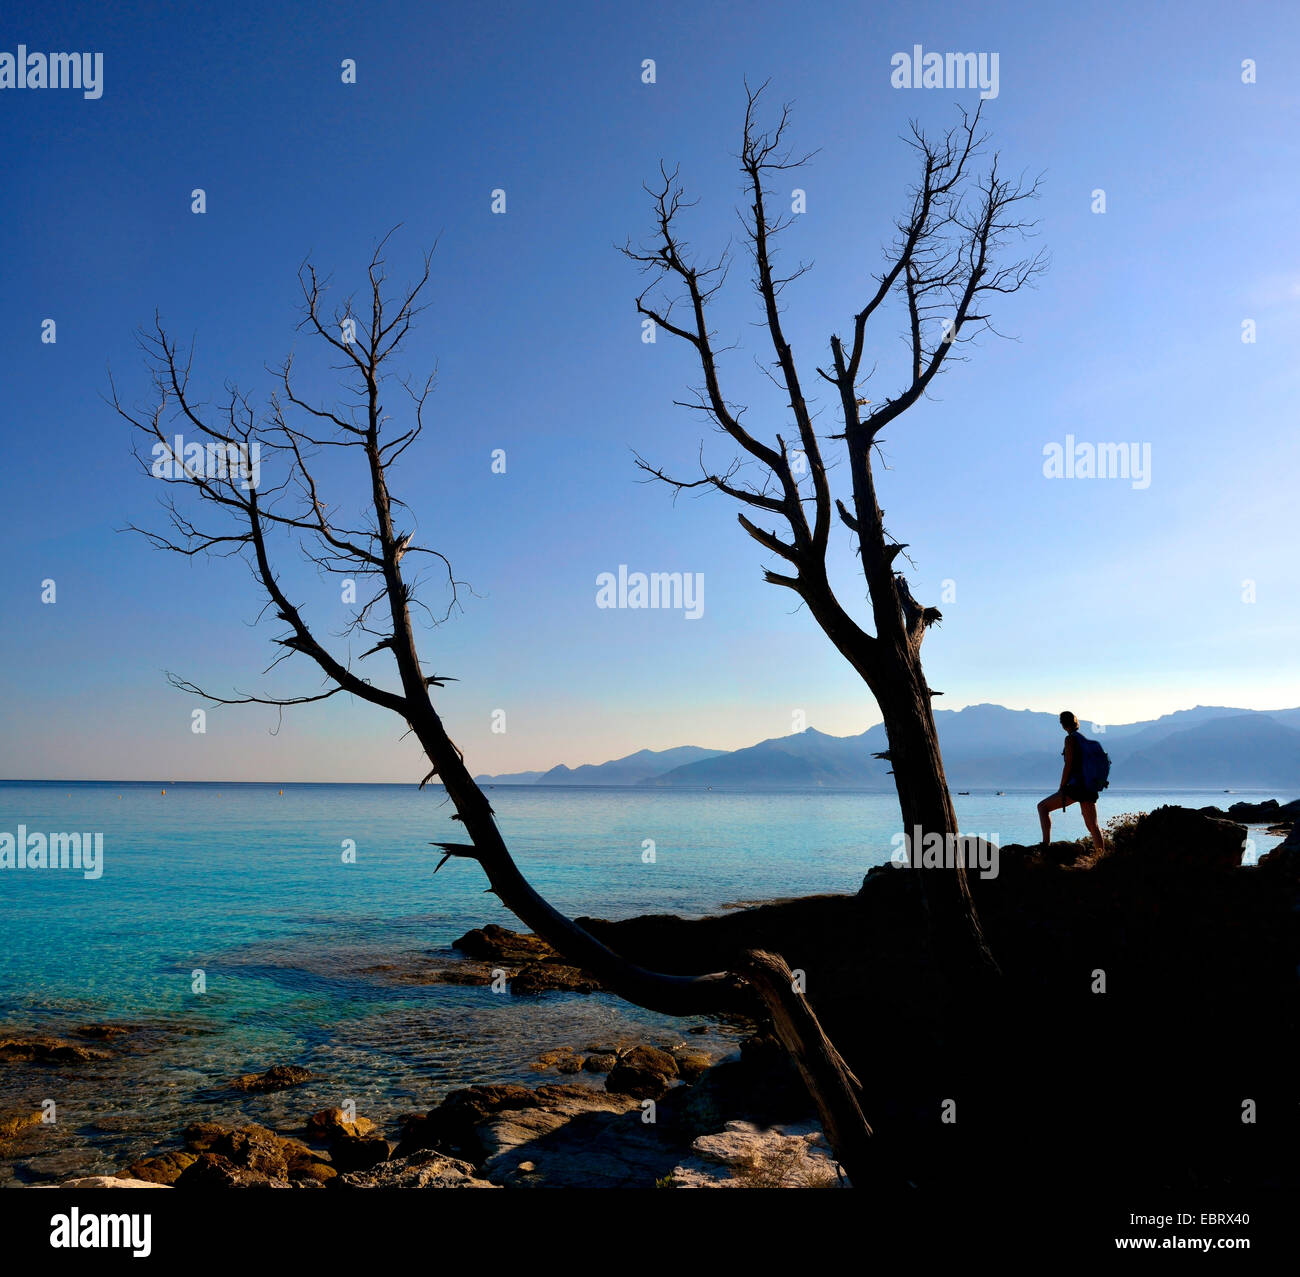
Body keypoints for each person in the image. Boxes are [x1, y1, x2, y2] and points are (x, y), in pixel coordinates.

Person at [1037, 711, 1104, 852]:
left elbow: (1068, 765)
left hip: (1077, 787)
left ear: (1062, 724)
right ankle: (1101, 858)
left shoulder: (1070, 739)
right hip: (1090, 787)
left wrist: (1062, 786)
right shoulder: (1083, 739)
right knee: (1093, 826)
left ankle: (1045, 845)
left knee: (1042, 807)